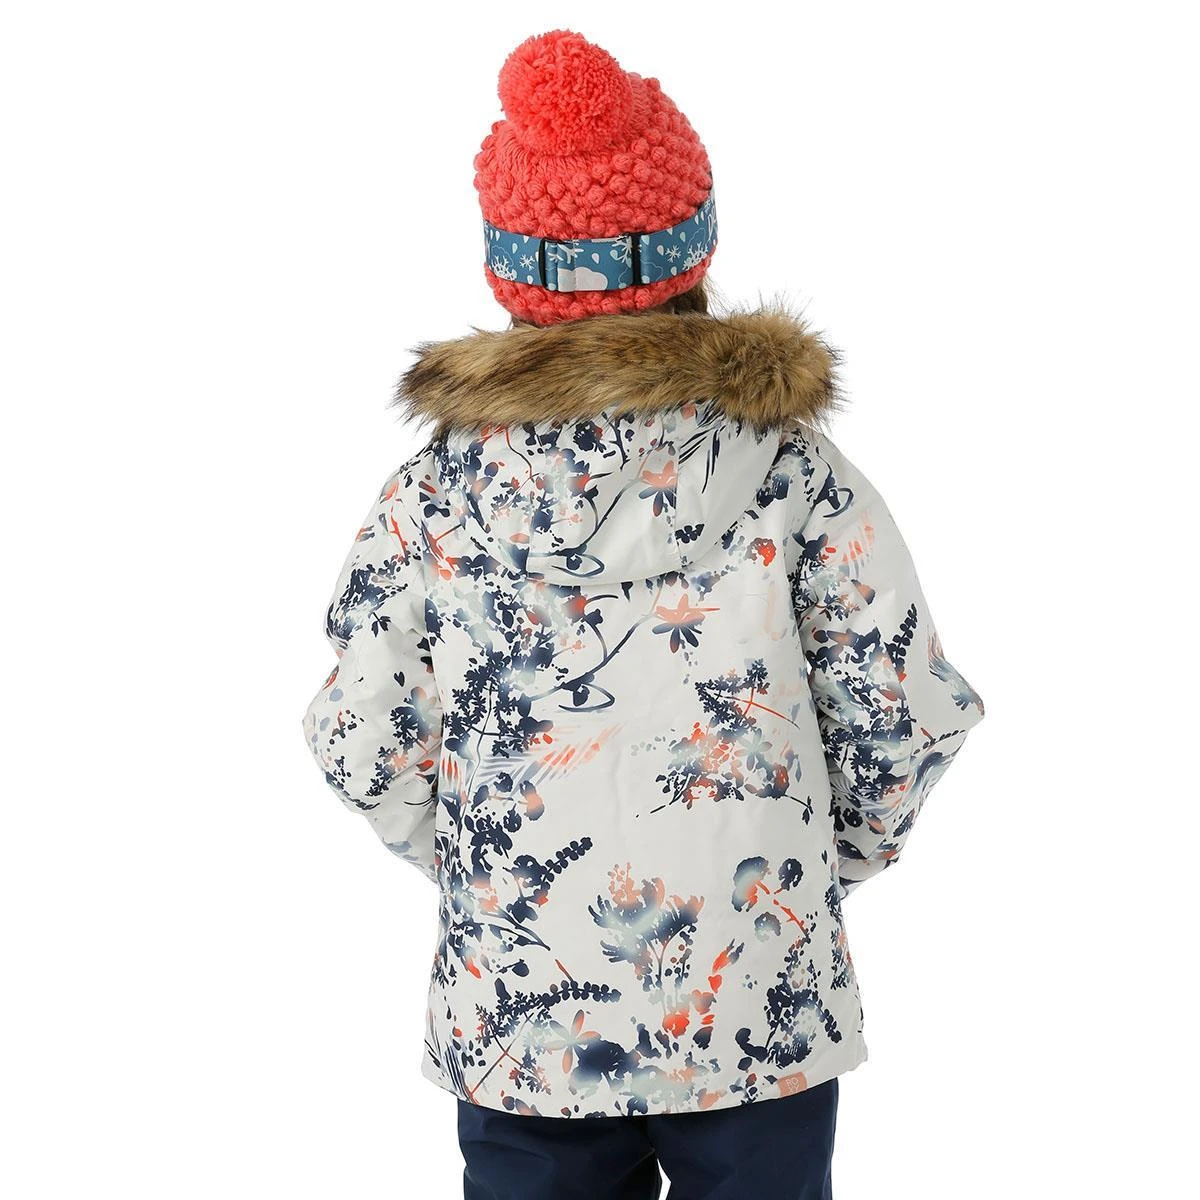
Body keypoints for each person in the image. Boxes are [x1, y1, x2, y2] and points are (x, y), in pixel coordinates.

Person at [301, 28, 984, 1200]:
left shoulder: (433, 497)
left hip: (524, 1018)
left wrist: (485, 865)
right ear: (690, 247)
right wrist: (805, 866)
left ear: (509, 267)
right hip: (759, 999)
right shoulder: (795, 475)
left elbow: (360, 739)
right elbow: (904, 711)